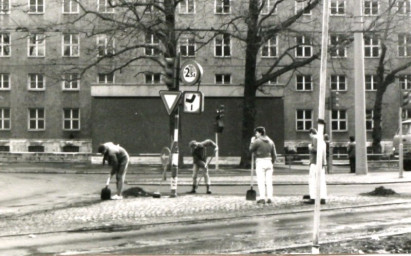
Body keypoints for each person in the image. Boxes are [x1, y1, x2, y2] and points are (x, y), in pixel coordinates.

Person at [249, 126, 277, 204]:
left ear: (260, 133)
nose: (256, 134)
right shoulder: (271, 141)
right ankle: (270, 197)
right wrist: (272, 162)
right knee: (269, 181)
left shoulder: (257, 141)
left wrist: (251, 141)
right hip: (269, 161)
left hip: (260, 161)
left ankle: (262, 198)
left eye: (256, 133)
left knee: (261, 180)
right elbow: (274, 154)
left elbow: (251, 149)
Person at [305, 128, 327, 204]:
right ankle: (323, 197)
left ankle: (313, 197)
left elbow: (316, 150)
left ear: (311, 133)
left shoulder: (315, 138)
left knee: (312, 180)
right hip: (322, 163)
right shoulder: (322, 140)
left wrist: (310, 147)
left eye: (309, 135)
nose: (310, 137)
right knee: (322, 181)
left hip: (315, 162)